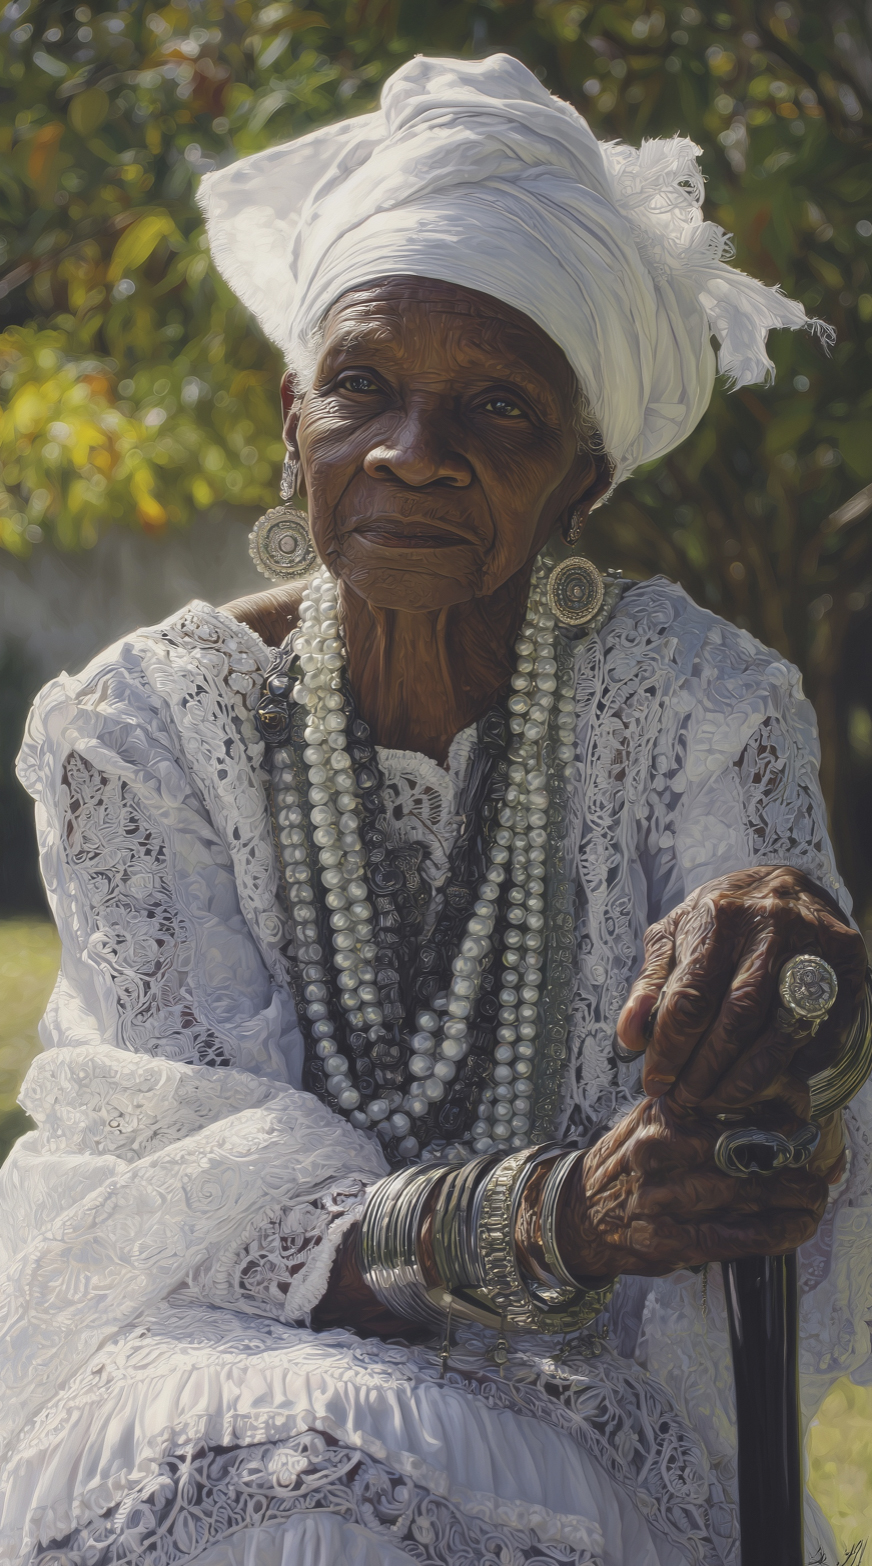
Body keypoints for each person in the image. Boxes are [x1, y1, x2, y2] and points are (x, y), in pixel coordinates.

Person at [3, 53, 870, 1566]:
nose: (414, 449)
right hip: (218, 1350)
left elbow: (782, 1050)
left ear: (579, 479)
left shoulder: (701, 705)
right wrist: (550, 1219)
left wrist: (803, 987)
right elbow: (193, 1182)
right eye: (362, 388)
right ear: (296, 421)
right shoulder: (136, 731)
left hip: (572, 1388)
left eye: (497, 408)